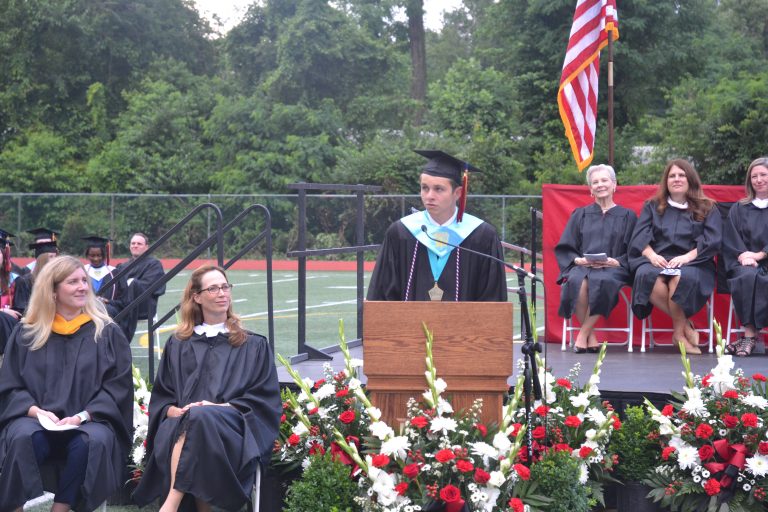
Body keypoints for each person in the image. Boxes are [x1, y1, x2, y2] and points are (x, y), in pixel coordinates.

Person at [132, 265, 281, 512]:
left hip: (232, 433)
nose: (222, 293)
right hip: (180, 427)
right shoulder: (178, 345)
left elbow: (264, 401)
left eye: (225, 287)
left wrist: (218, 407)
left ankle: (171, 503)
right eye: (213, 288)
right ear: (197, 297)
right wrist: (176, 412)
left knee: (200, 417)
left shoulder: (252, 345)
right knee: (195, 420)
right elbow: (163, 400)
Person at [0, 255, 133, 512]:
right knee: (23, 437)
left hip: (90, 420)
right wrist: (36, 411)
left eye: (84, 280)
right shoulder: (28, 332)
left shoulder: (106, 332)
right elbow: (10, 385)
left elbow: (117, 388)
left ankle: (60, 508)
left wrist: (81, 416)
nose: (83, 287)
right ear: (52, 291)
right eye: (73, 282)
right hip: (34, 418)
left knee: (89, 442)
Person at [367, 150, 508, 302]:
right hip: (409, 325)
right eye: (425, 188)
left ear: (458, 193)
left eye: (438, 189)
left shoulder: (482, 236)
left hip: (464, 325)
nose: (429, 196)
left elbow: (492, 300)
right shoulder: (401, 232)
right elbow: (381, 294)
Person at [628, 159, 722, 355]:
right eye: (672, 176)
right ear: (666, 181)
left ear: (690, 179)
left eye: (681, 175)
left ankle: (678, 334)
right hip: (657, 260)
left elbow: (712, 240)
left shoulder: (707, 207)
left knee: (680, 277)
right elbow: (639, 237)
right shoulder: (652, 206)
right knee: (645, 276)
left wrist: (687, 257)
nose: (677, 179)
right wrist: (651, 255)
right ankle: (685, 327)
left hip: (695, 261)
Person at [555, 164, 637, 353]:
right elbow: (566, 245)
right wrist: (577, 260)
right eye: (595, 182)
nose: (600, 185)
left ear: (614, 184)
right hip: (584, 266)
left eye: (604, 180)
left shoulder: (627, 216)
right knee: (577, 281)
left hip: (613, 268)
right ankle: (590, 336)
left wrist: (618, 261)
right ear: (591, 189)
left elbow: (635, 248)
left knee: (604, 280)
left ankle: (583, 334)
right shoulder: (580, 214)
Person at [722, 157, 768, 357]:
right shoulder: (740, 208)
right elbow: (730, 237)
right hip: (743, 262)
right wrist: (742, 256)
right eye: (754, 176)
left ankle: (747, 339)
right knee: (749, 276)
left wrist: (760, 254)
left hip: (763, 258)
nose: (758, 180)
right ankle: (749, 336)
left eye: (763, 175)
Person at [83, 236, 138, 342]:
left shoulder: (115, 273)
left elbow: (124, 301)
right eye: (92, 255)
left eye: (99, 255)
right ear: (87, 255)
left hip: (110, 312)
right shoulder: (81, 271)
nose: (96, 258)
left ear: (104, 255)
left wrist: (108, 301)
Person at [115, 232, 166, 321]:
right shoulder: (122, 266)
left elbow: (150, 287)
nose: (135, 246)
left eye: (139, 244)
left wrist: (130, 283)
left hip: (143, 306)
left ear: (146, 247)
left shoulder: (154, 265)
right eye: (133, 243)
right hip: (121, 305)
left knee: (133, 283)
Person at [11, 237, 59, 316]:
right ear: (42, 259)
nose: (55, 260)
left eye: (55, 256)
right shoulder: (25, 281)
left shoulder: (58, 280)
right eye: (51, 256)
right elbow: (21, 309)